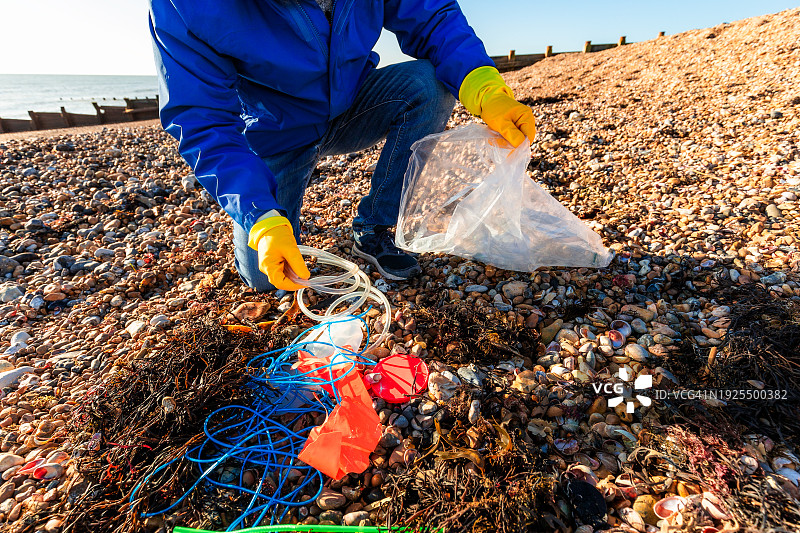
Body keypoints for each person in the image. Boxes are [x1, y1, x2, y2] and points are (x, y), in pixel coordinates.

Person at [148, 0, 536, 292]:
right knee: (266, 280)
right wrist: (260, 216)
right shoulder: (184, 5)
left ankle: (374, 226)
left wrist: (486, 88)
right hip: (277, 133)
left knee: (428, 87)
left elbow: (432, 16)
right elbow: (203, 118)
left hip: (351, 105)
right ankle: (274, 218)